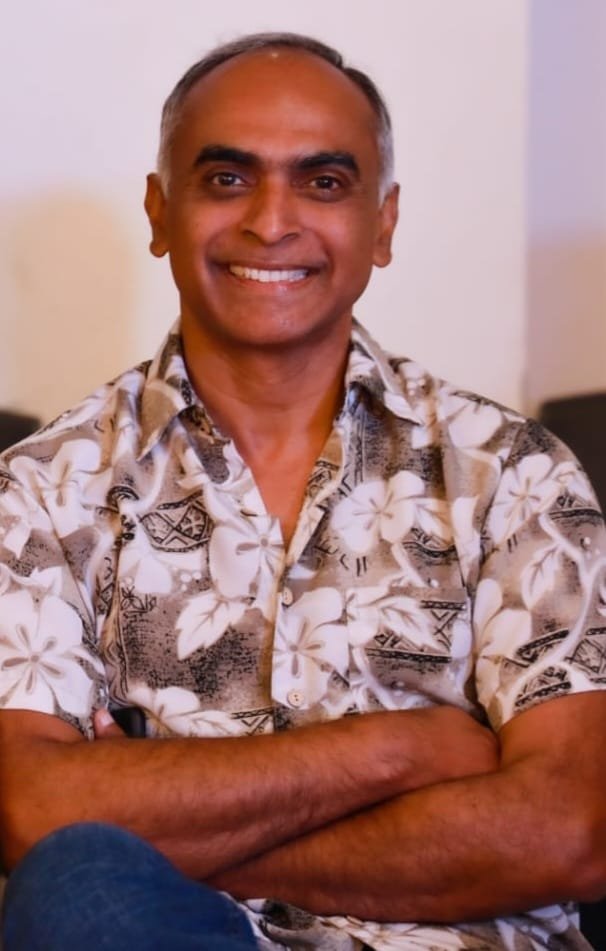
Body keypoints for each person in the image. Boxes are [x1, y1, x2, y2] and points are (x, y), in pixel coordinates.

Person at [0, 31, 604, 951]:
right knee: (79, 882)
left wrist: (176, 822)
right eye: (227, 179)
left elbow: (570, 827)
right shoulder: (42, 492)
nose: (271, 221)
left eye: (323, 182)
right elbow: (29, 812)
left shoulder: (512, 474)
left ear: (383, 224)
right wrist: (397, 752)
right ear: (160, 212)